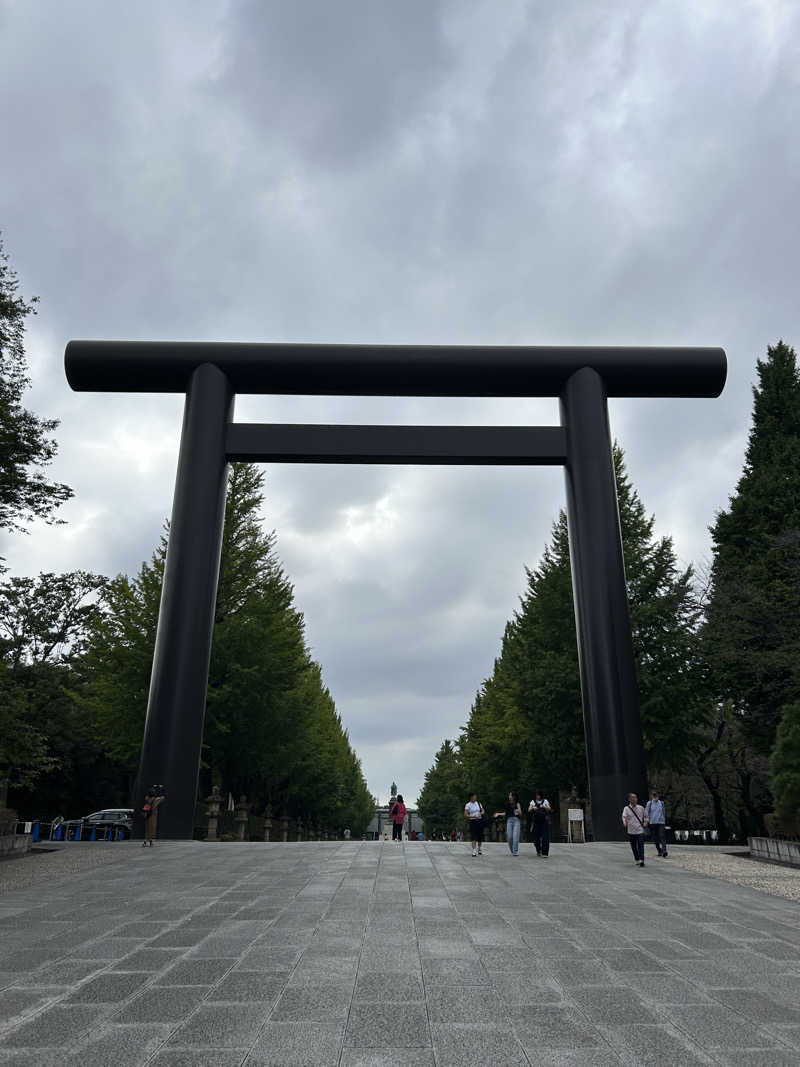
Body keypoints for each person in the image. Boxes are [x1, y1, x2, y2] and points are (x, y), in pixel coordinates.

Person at [622, 792, 648, 867]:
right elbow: (624, 816)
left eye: (635, 798)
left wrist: (646, 822)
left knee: (641, 845)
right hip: (631, 831)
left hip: (640, 830)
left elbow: (646, 816)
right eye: (633, 798)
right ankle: (637, 858)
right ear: (629, 799)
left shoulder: (641, 808)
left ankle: (642, 860)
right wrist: (624, 822)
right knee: (634, 847)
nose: (635, 799)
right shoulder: (626, 808)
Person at [495, 791, 523, 856]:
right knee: (509, 837)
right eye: (509, 795)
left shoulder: (517, 804)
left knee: (515, 837)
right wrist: (498, 814)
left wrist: (518, 811)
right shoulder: (507, 804)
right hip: (509, 821)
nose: (509, 796)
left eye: (510, 795)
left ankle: (515, 852)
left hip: (516, 821)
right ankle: (512, 850)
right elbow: (506, 813)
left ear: (513, 796)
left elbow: (520, 813)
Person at [645, 790, 668, 857]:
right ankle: (659, 850)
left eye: (656, 795)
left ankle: (664, 851)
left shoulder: (661, 803)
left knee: (662, 836)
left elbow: (663, 812)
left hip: (661, 822)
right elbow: (646, 813)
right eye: (654, 795)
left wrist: (664, 820)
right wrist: (646, 821)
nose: (655, 796)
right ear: (652, 796)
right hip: (653, 822)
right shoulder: (649, 803)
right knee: (655, 838)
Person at [464, 792, 485, 857]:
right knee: (473, 835)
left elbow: (483, 811)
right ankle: (474, 850)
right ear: (471, 797)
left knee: (480, 835)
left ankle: (479, 848)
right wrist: (472, 816)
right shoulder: (468, 805)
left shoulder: (478, 803)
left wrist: (480, 813)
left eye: (476, 796)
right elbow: (465, 814)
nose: (475, 798)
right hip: (473, 821)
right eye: (474, 796)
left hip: (479, 821)